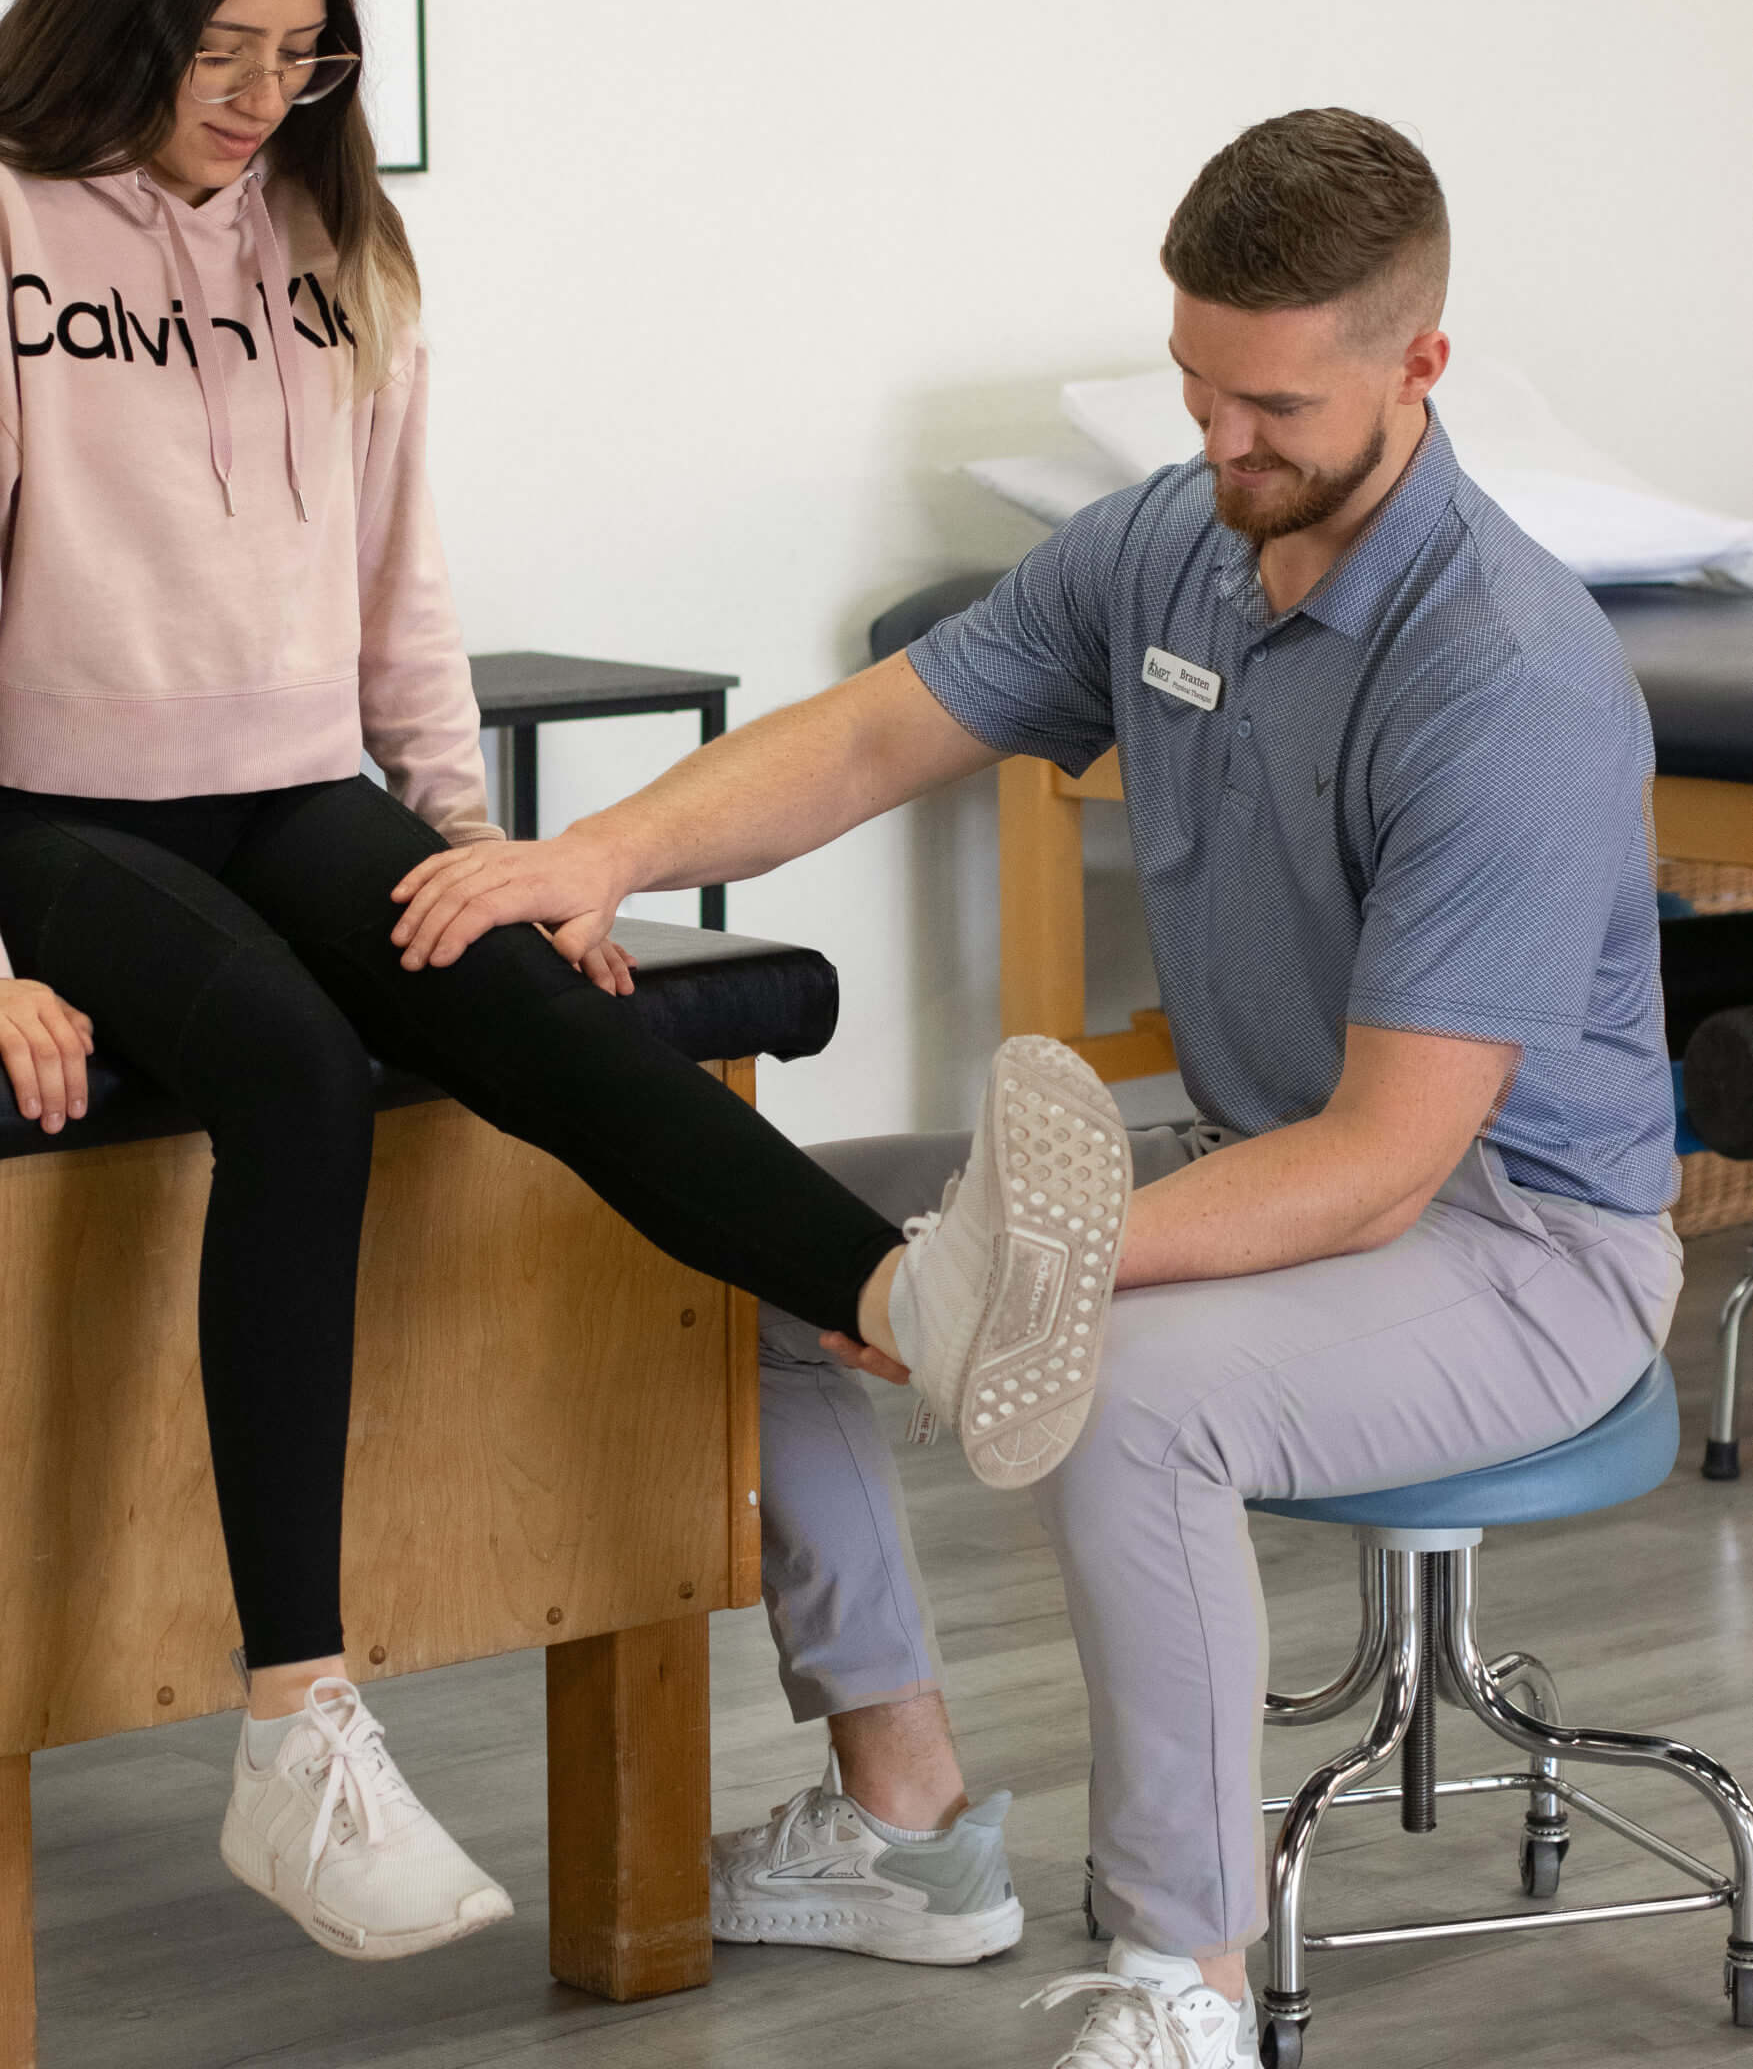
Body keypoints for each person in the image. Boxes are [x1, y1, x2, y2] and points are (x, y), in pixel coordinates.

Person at [0, 0, 1091, 1970]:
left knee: (521, 992)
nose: (256, 101)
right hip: (37, 823)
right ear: (119, 19)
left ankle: (902, 1302)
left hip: (282, 782)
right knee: (294, 1069)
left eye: (301, 56)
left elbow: (402, 602)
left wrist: (489, 851)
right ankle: (296, 1726)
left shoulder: (338, 240)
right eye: (219, 50)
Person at [389, 109, 1683, 2063]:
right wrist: (600, 857)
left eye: (1268, 402)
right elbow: (875, 731)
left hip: (1513, 1237)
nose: (1220, 438)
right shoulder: (1173, 541)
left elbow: (1376, 1165)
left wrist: (1014, 1270)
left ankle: (1189, 1979)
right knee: (764, 1235)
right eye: (1192, 386)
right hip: (1254, 1153)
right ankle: (901, 1817)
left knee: (1125, 1393)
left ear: (1416, 367)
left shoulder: (1496, 673)